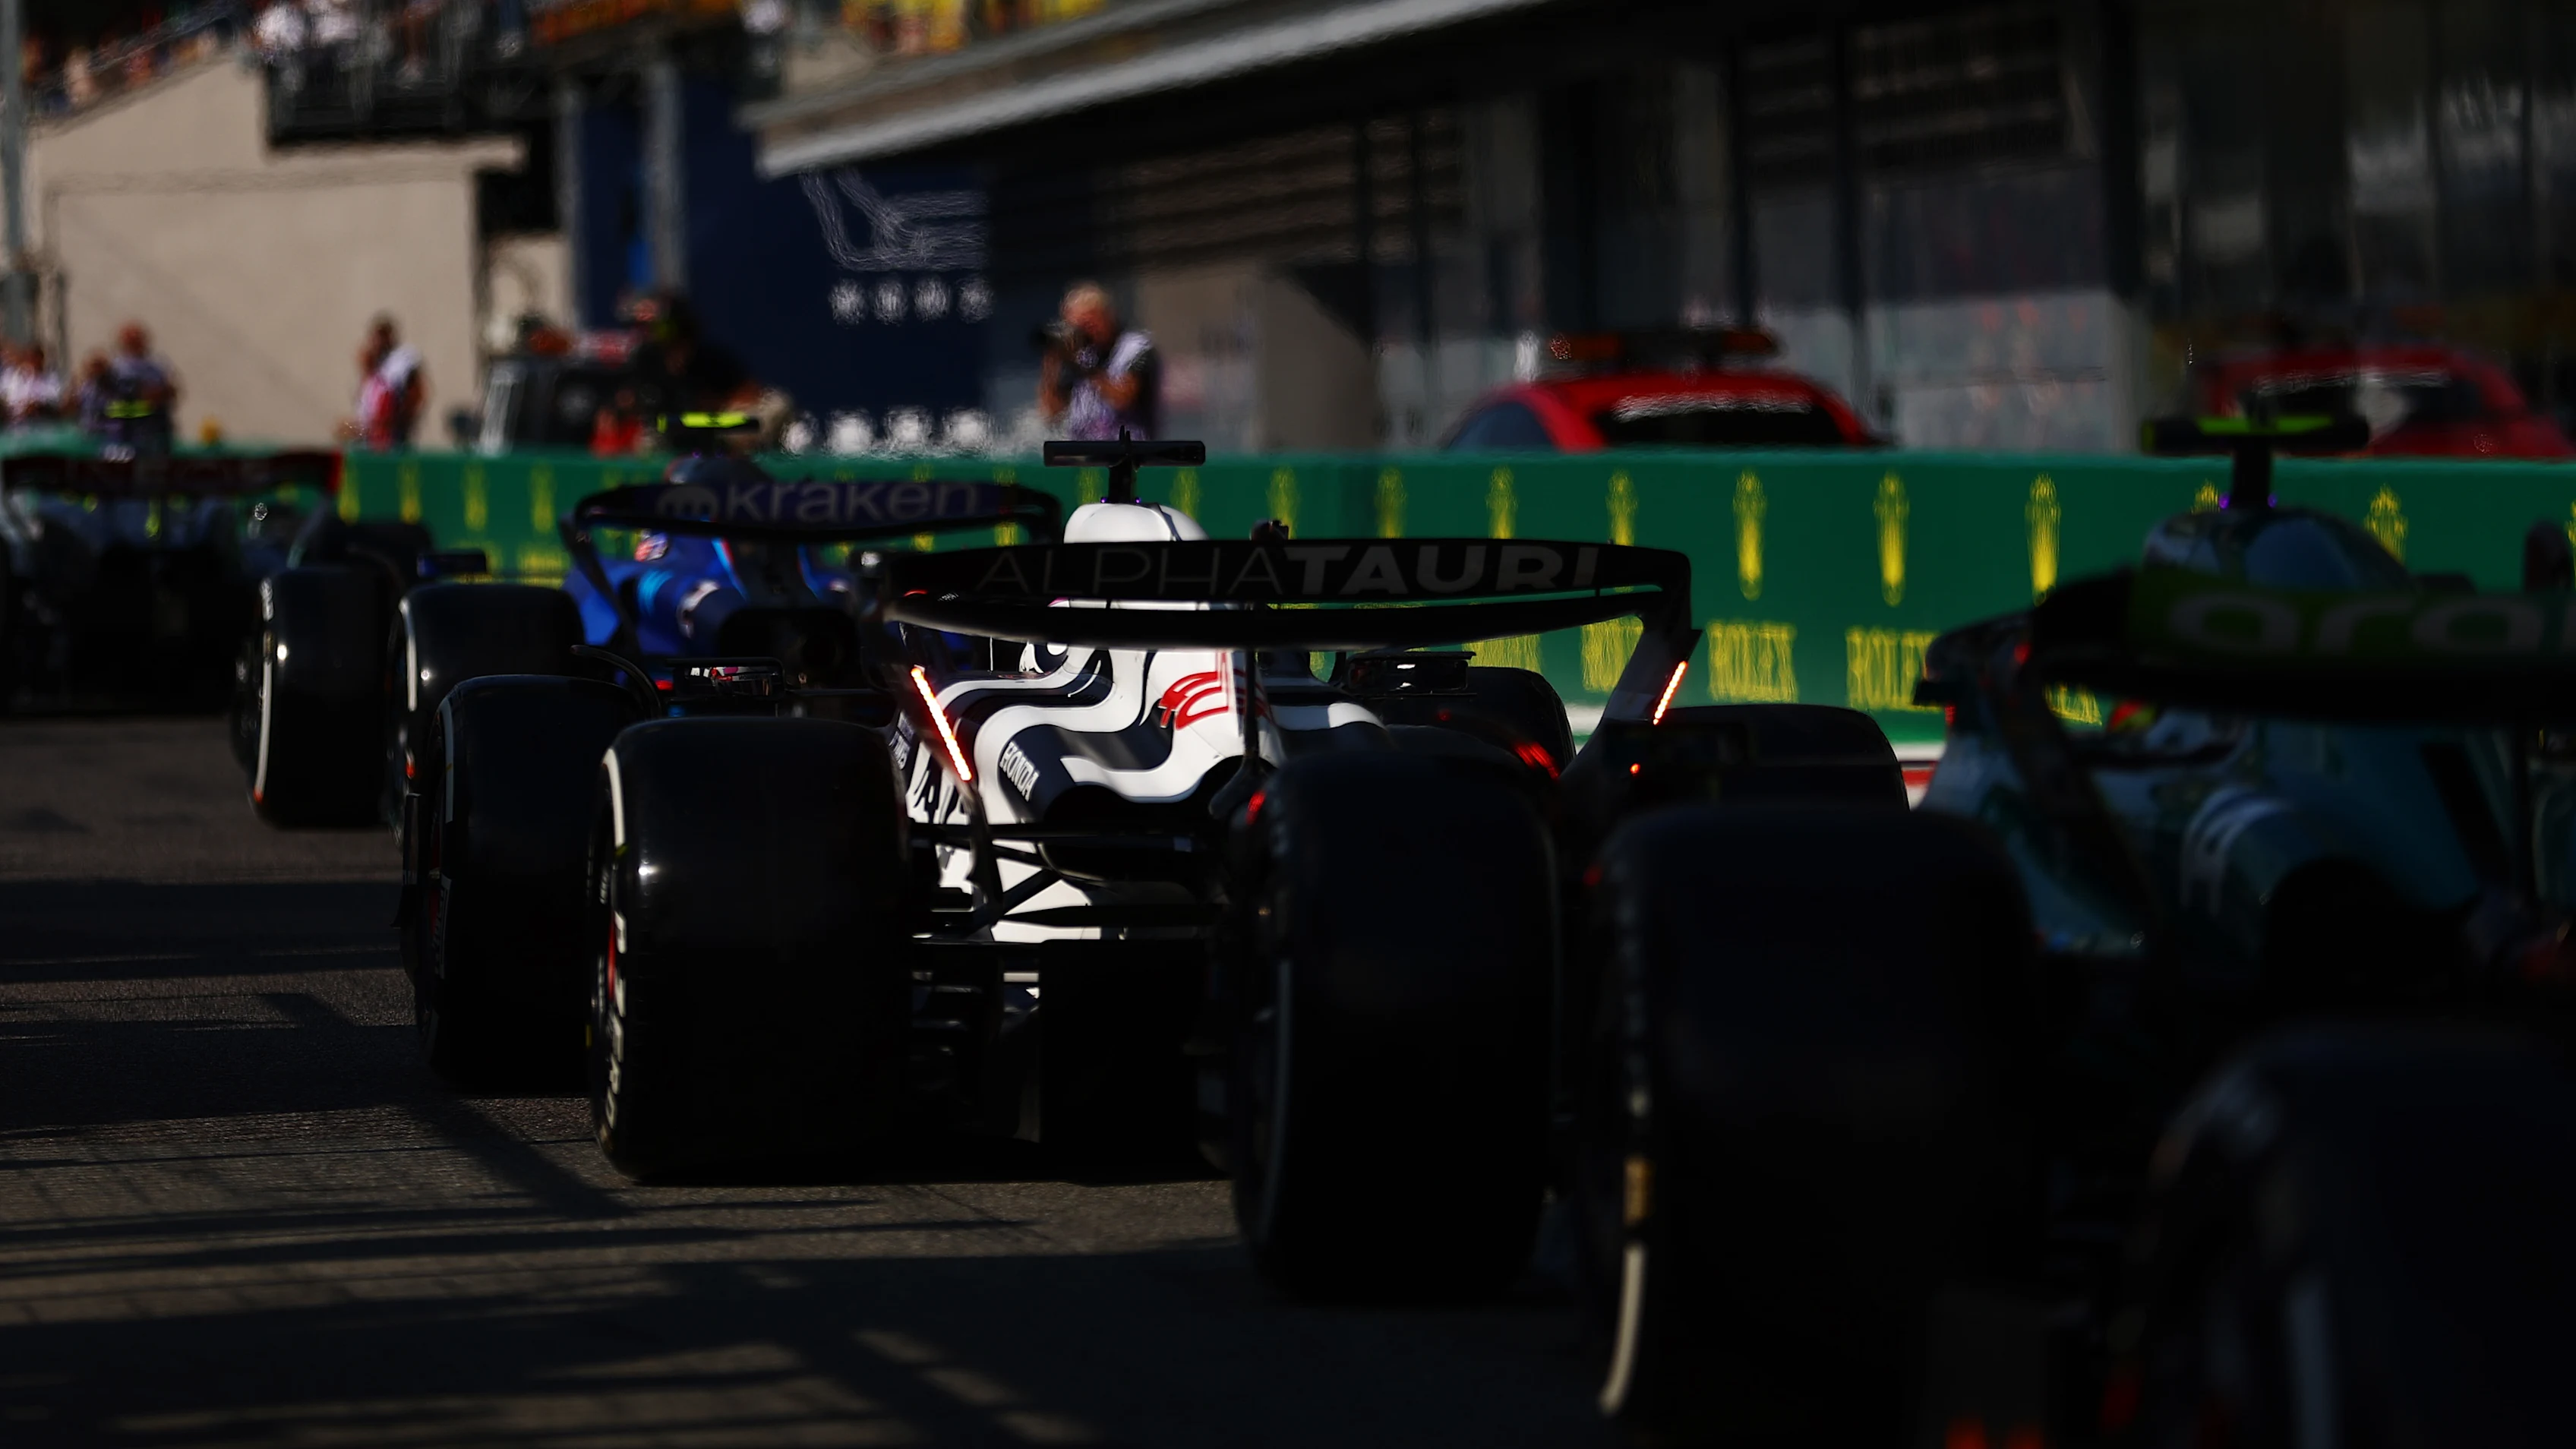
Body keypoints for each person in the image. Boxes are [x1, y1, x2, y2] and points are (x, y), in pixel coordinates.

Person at [1037, 282, 1159, 440]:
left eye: (1087, 325)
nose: (1081, 332)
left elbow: (1123, 398)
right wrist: (1052, 363)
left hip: (1128, 455)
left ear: (1106, 317)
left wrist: (1087, 368)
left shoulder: (1135, 348)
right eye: (1074, 326)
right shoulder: (1081, 356)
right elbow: (1051, 412)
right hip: (1085, 457)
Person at [363, 314, 426, 447]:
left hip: (394, 429)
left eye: (383, 336)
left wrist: (401, 419)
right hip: (371, 430)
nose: (378, 342)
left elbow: (417, 392)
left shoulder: (403, 359)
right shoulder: (375, 363)